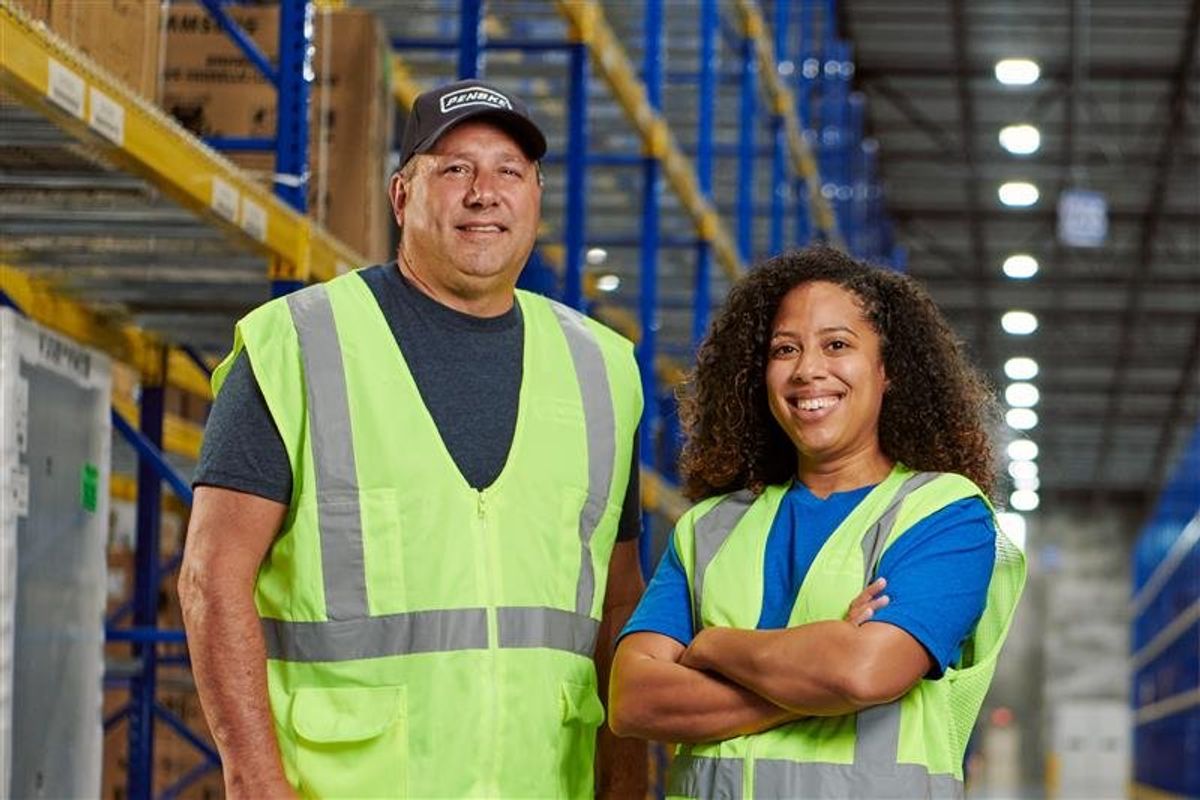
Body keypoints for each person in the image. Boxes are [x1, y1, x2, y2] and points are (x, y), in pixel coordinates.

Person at [179, 79, 647, 799]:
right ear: (402, 196)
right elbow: (213, 577)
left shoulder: (604, 370)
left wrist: (624, 785)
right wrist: (255, 783)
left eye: (508, 172)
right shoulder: (300, 345)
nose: (483, 192)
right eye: (453, 168)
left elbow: (619, 605)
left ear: (536, 198)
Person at [609, 246, 1026, 798]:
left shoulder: (942, 514)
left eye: (837, 345)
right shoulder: (709, 528)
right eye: (786, 349)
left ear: (888, 370)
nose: (808, 370)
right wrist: (815, 680)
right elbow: (633, 700)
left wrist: (711, 647)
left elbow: (863, 673)